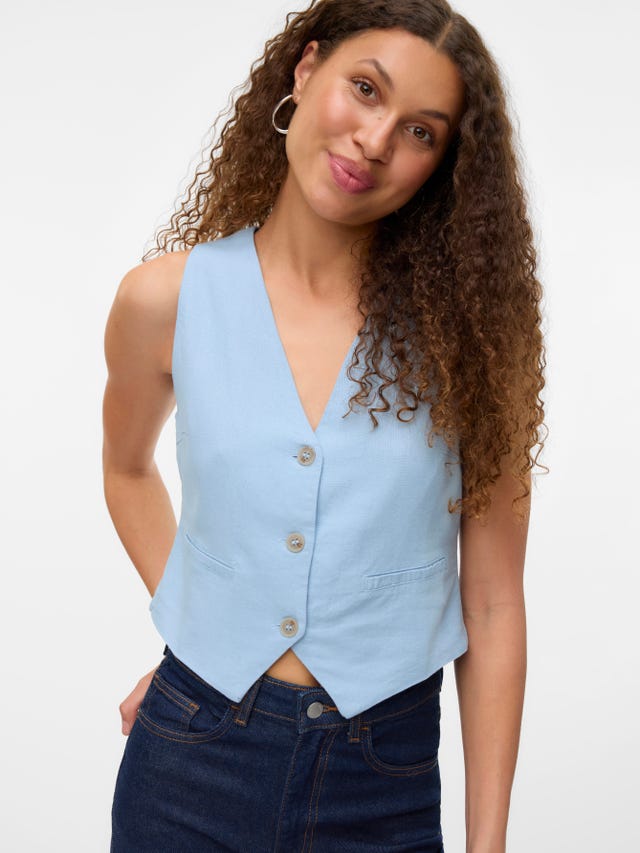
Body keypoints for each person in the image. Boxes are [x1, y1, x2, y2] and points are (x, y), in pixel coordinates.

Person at [103, 0, 546, 850]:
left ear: (443, 165)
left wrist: (488, 843)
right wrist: (208, 630)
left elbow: (492, 603)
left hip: (381, 778)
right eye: (365, 89)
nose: (375, 141)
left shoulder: (469, 337)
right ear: (306, 72)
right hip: (189, 758)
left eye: (420, 131)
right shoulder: (164, 299)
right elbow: (126, 469)